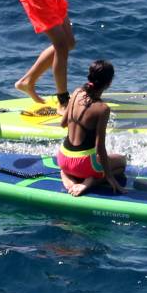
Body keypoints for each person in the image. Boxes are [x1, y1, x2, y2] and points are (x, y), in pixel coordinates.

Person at [56, 59, 128, 196]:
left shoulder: (77, 92)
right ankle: (89, 182)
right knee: (121, 162)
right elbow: (99, 147)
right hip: (83, 164)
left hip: (63, 158)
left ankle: (66, 175)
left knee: (75, 164)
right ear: (109, 83)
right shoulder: (102, 108)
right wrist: (109, 176)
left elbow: (63, 123)